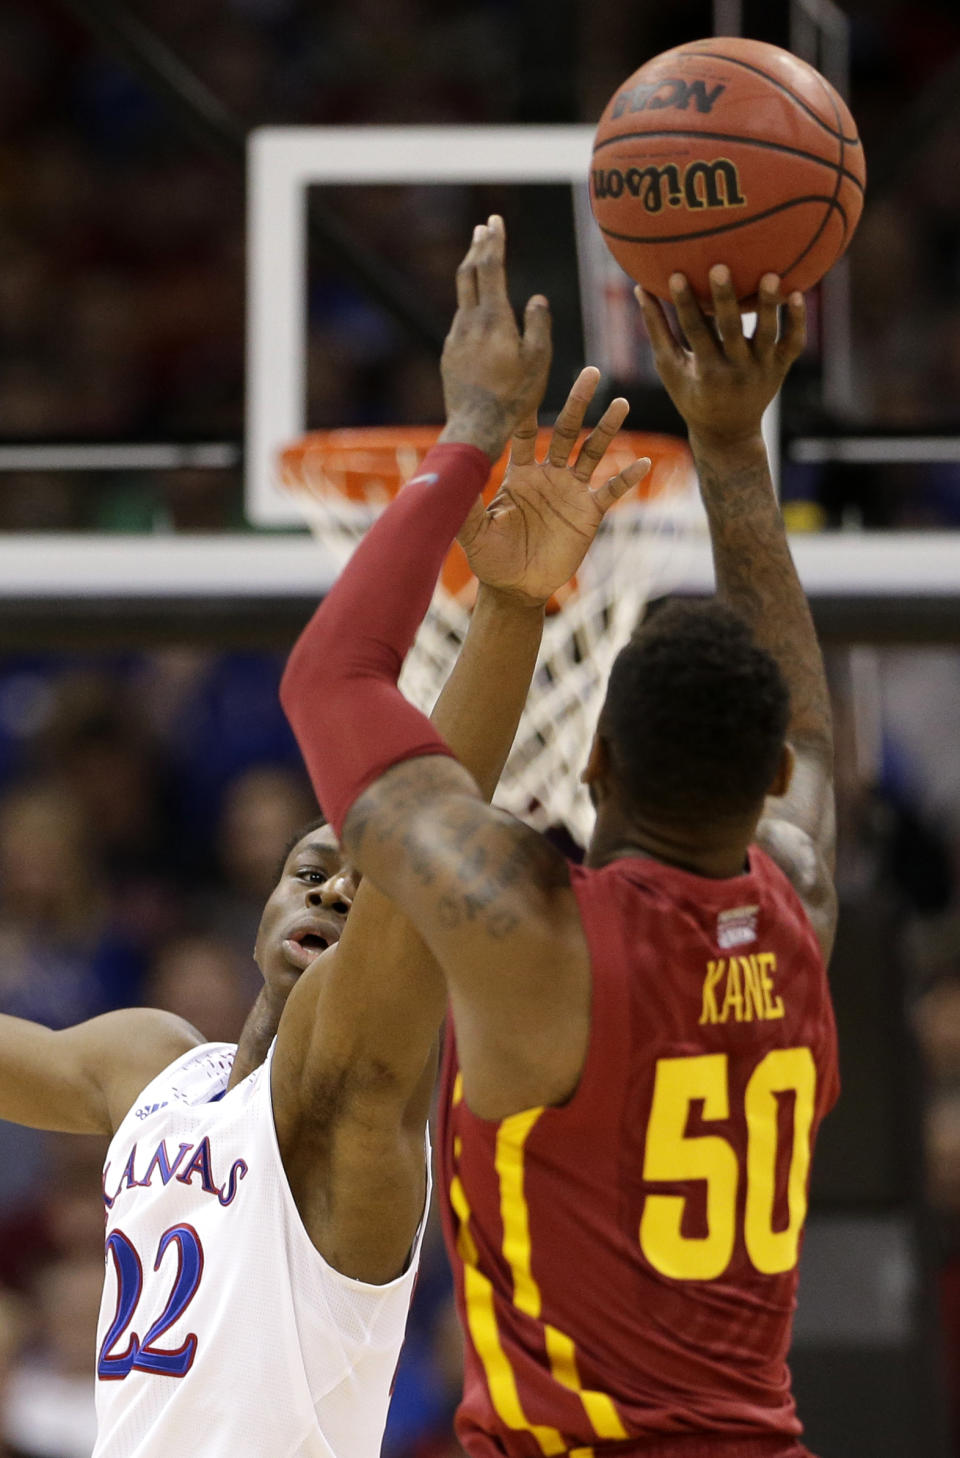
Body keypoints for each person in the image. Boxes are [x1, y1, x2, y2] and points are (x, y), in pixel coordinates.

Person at [0, 328, 645, 1454]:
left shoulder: (344, 1090)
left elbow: (424, 845)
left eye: (362, 884)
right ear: (257, 907)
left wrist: (506, 610)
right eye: (312, 871)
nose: (338, 891)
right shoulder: (154, 1064)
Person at [281, 215, 839, 1457]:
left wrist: (473, 437)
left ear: (590, 761)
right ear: (775, 782)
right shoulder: (795, 907)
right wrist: (735, 451)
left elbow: (329, 682)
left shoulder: (536, 933)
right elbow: (806, 726)